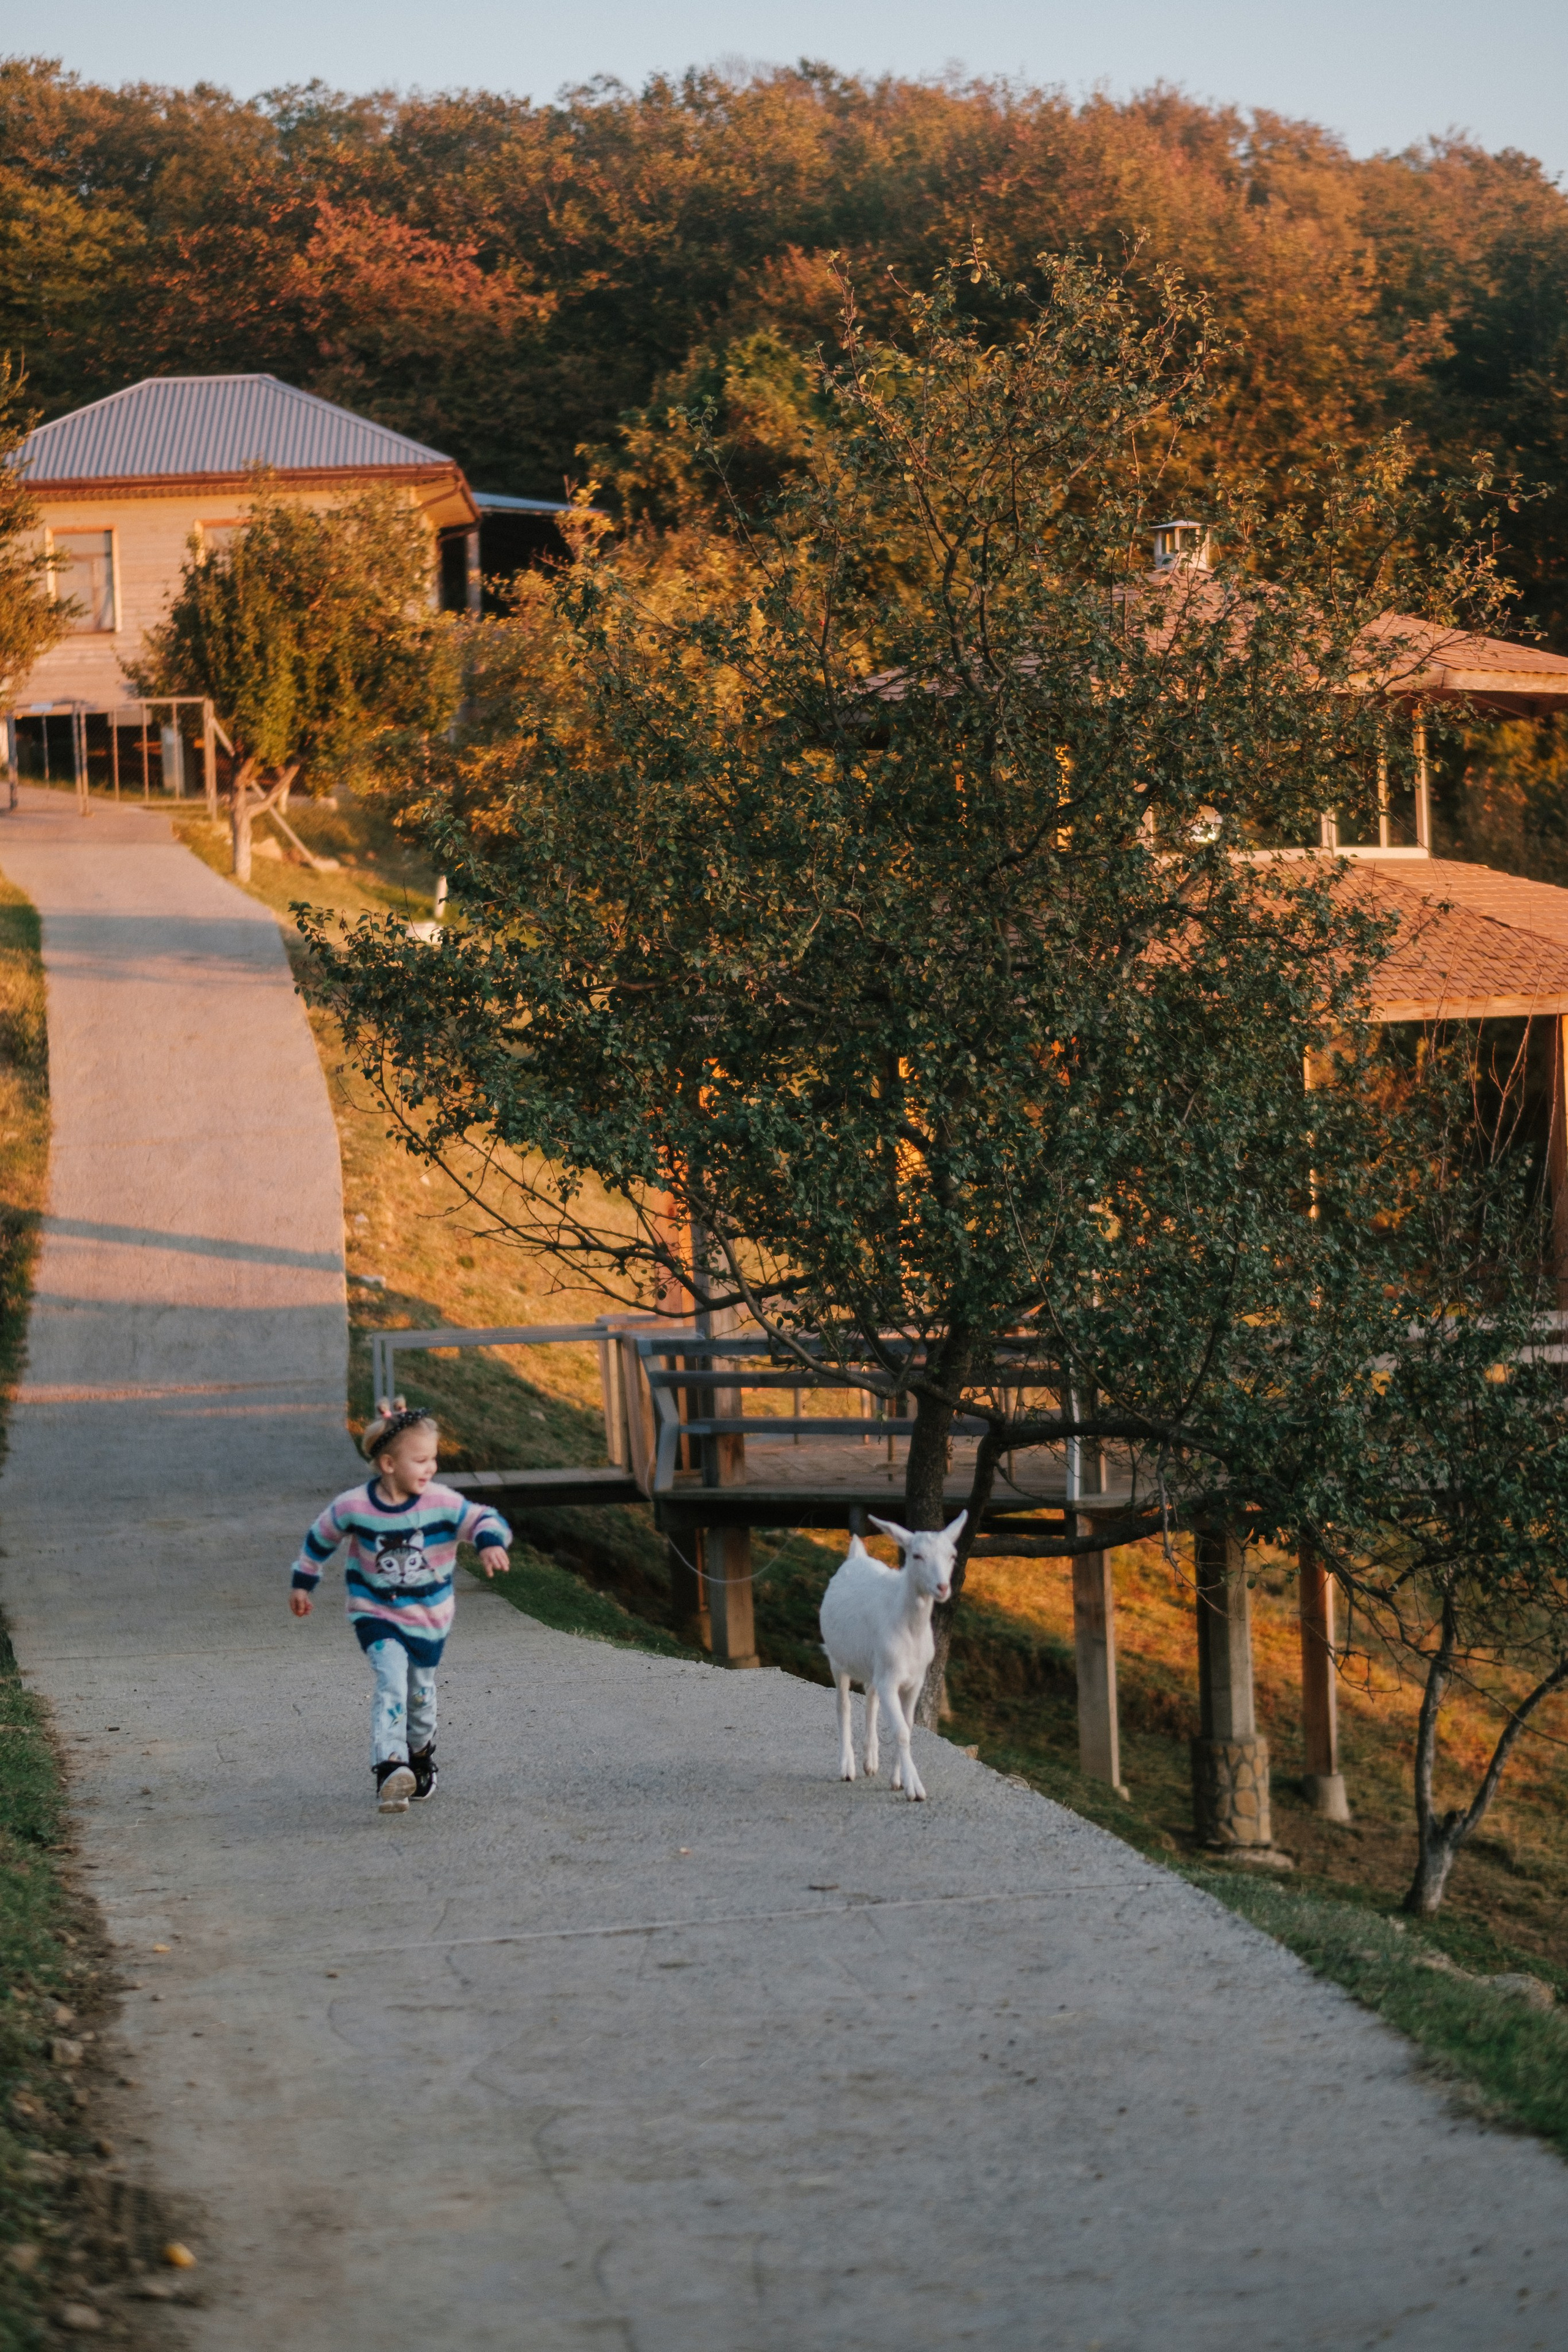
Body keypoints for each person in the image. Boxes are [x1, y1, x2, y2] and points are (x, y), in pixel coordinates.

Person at [288, 1401, 512, 1811]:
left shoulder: (441, 1503)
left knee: (420, 1695)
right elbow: (320, 1537)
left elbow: (484, 1518)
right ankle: (390, 1766)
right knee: (391, 1680)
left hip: (429, 1618)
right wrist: (304, 1582)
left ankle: (420, 1754)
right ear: (389, 1463)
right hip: (374, 1611)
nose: (430, 1468)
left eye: (434, 1460)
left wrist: (489, 1542)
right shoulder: (354, 1506)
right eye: (421, 1460)